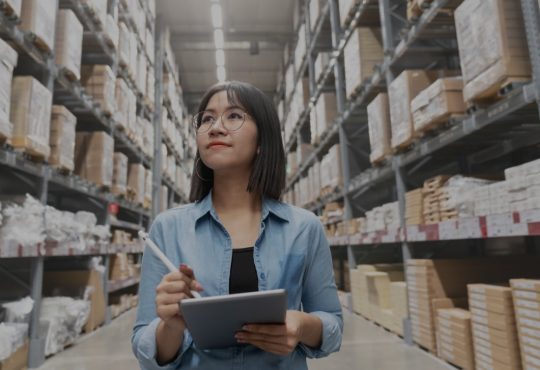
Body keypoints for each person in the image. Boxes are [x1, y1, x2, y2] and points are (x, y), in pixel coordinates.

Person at [132, 81, 343, 369]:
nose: (215, 127)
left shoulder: (304, 228)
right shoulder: (167, 229)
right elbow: (146, 348)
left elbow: (333, 325)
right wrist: (171, 325)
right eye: (207, 118)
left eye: (234, 116)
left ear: (262, 140)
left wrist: (303, 325)